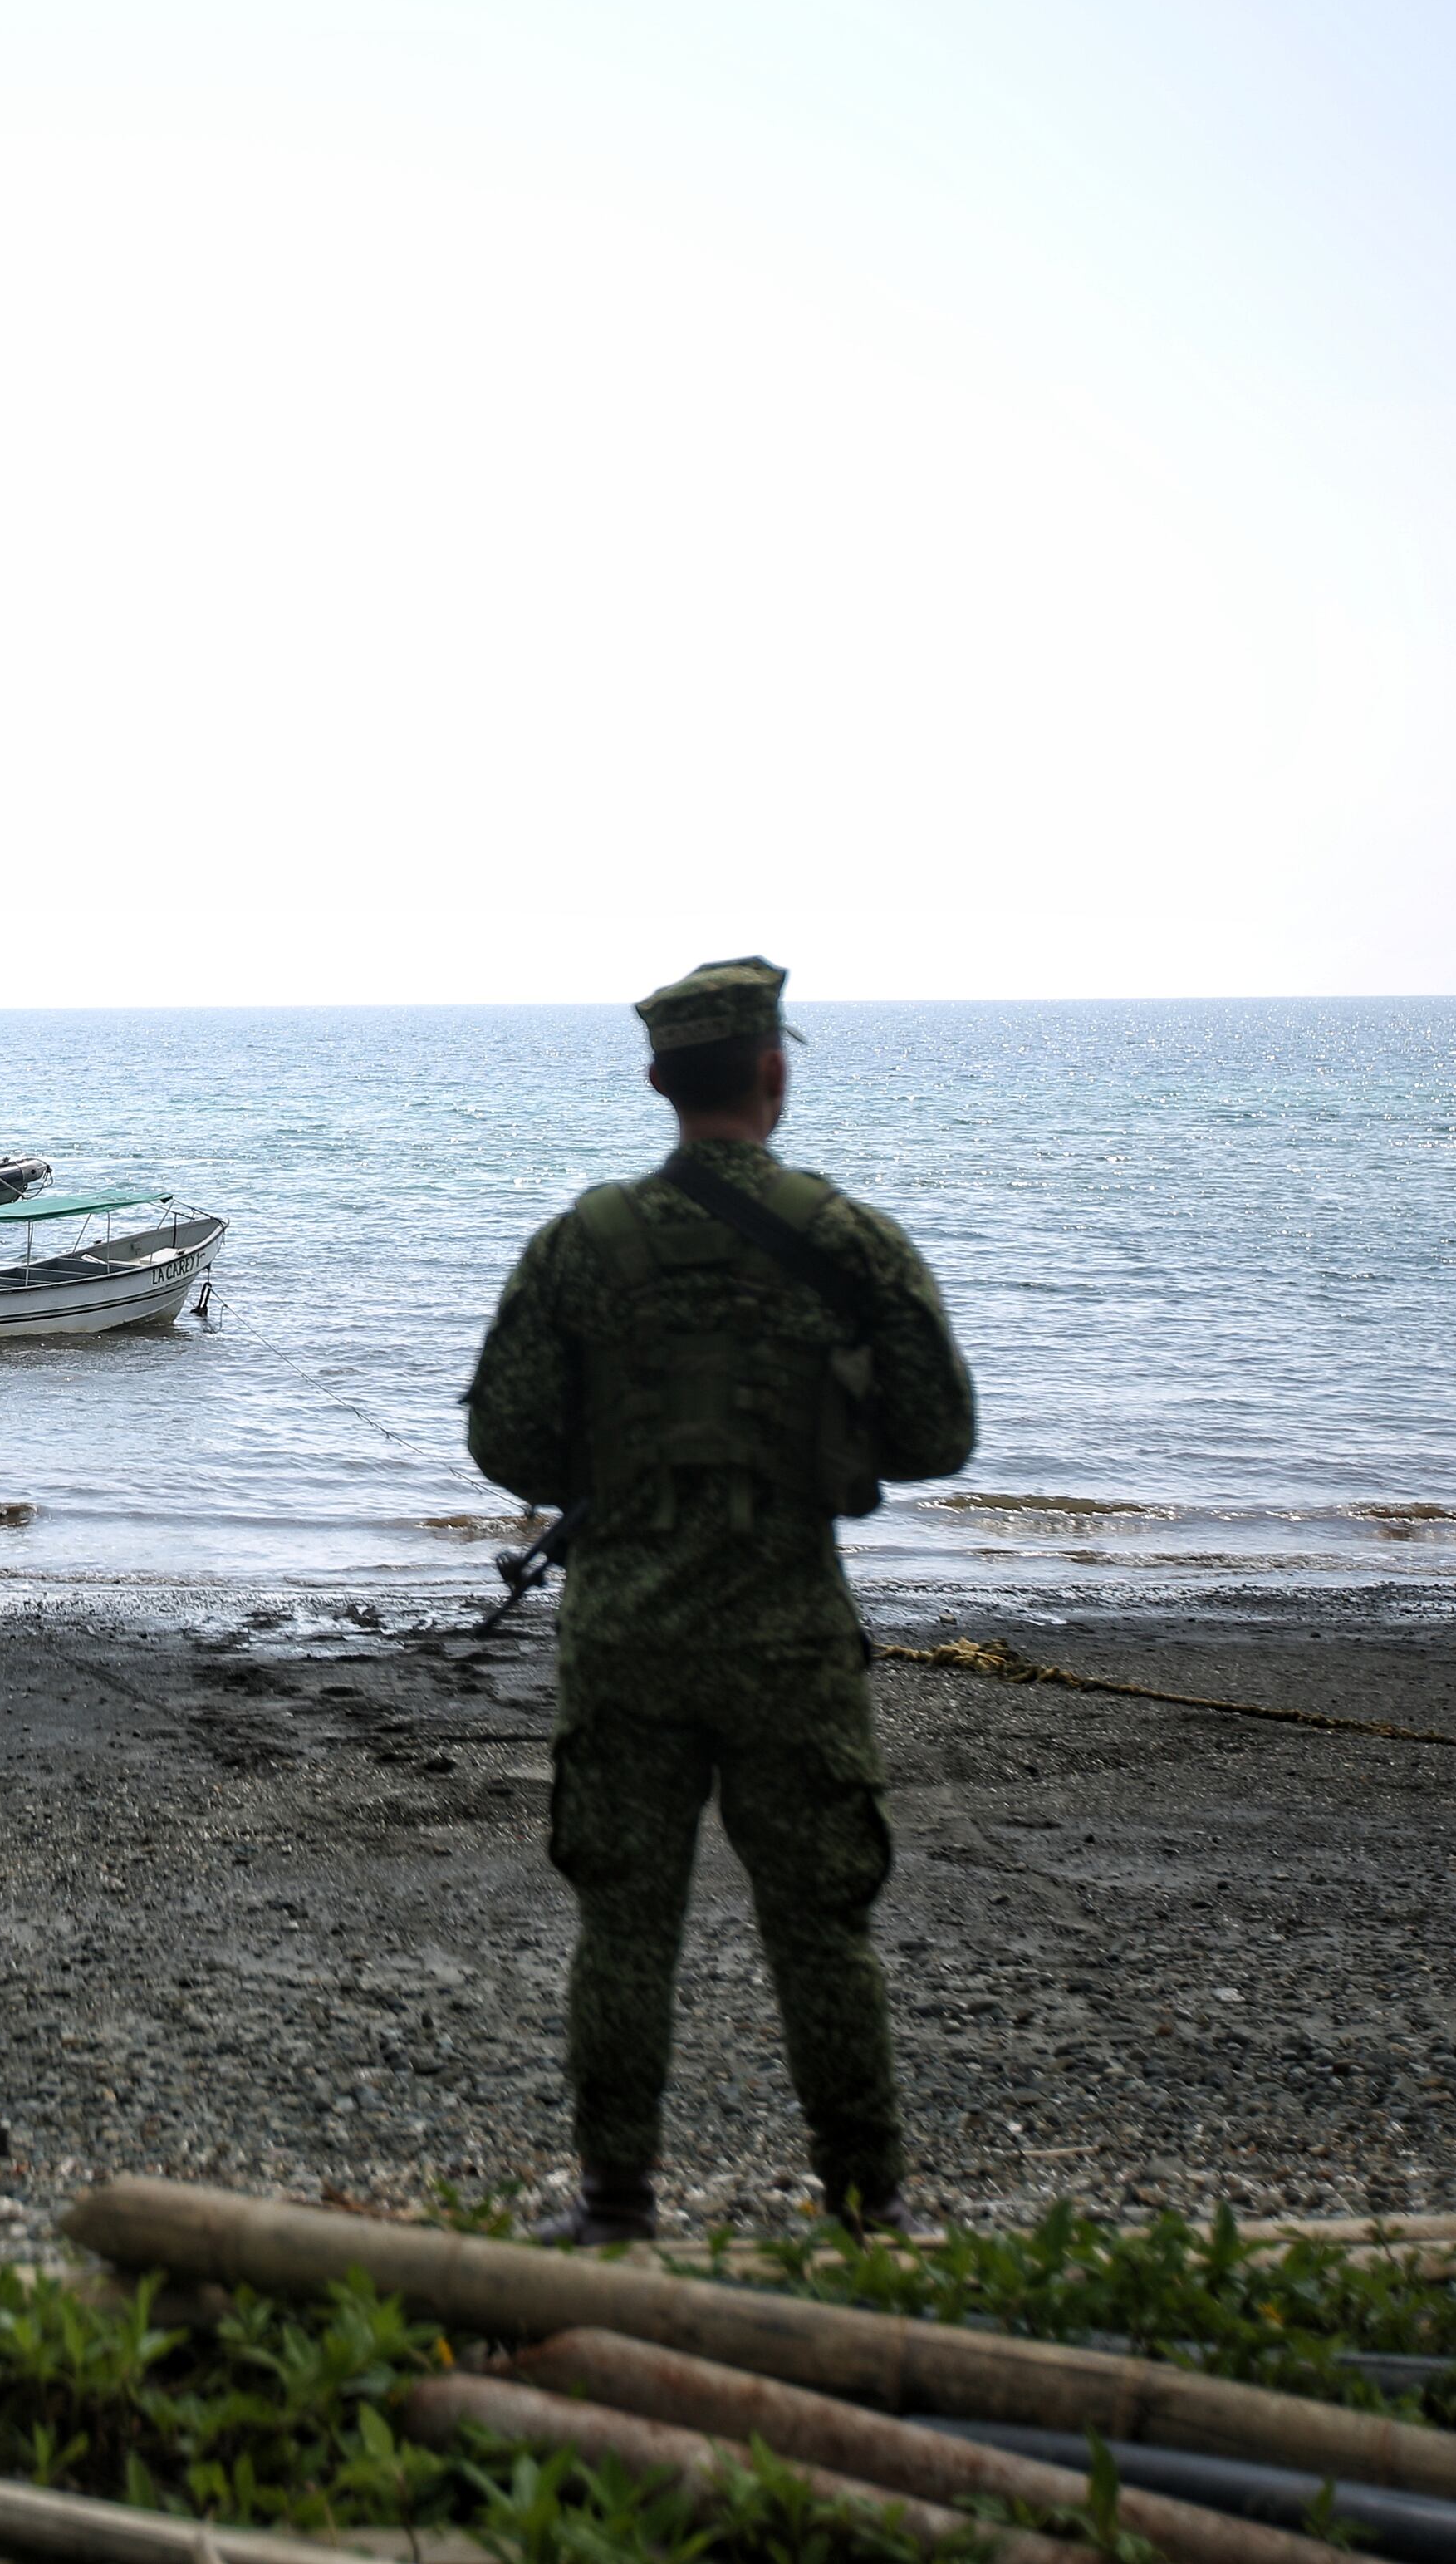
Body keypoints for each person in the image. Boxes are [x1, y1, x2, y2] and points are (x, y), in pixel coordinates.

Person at [459, 956, 975, 2242]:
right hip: (789, 1636)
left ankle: (617, 2198)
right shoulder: (849, 1238)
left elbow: (507, 1440)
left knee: (627, 1921)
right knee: (823, 1923)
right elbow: (938, 1434)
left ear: (656, 1081)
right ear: (772, 1072)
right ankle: (869, 2200)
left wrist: (617, 1466)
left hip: (626, 1632)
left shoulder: (583, 1244)